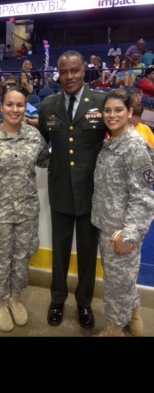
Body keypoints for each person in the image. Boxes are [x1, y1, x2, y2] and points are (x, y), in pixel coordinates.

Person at [38, 50, 107, 329]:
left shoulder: (101, 102)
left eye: (75, 71)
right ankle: (57, 299)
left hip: (91, 191)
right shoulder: (48, 106)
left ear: (84, 71)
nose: (69, 77)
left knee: (89, 253)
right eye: (64, 71)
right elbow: (39, 143)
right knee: (60, 250)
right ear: (58, 73)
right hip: (60, 191)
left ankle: (84, 303)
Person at [0, 87, 50, 332]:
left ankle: (15, 298)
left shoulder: (34, 136)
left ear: (26, 108)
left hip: (27, 211)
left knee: (22, 257)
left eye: (19, 105)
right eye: (9, 104)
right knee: (0, 259)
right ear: (1, 107)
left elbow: (46, 160)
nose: (14, 109)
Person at [91, 89, 154, 337]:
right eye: (108, 110)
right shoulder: (110, 142)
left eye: (118, 110)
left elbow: (143, 198)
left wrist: (128, 236)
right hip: (107, 224)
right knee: (122, 276)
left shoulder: (135, 147)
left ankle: (114, 326)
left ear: (130, 113)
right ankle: (133, 312)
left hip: (122, 231)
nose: (112, 114)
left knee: (117, 281)